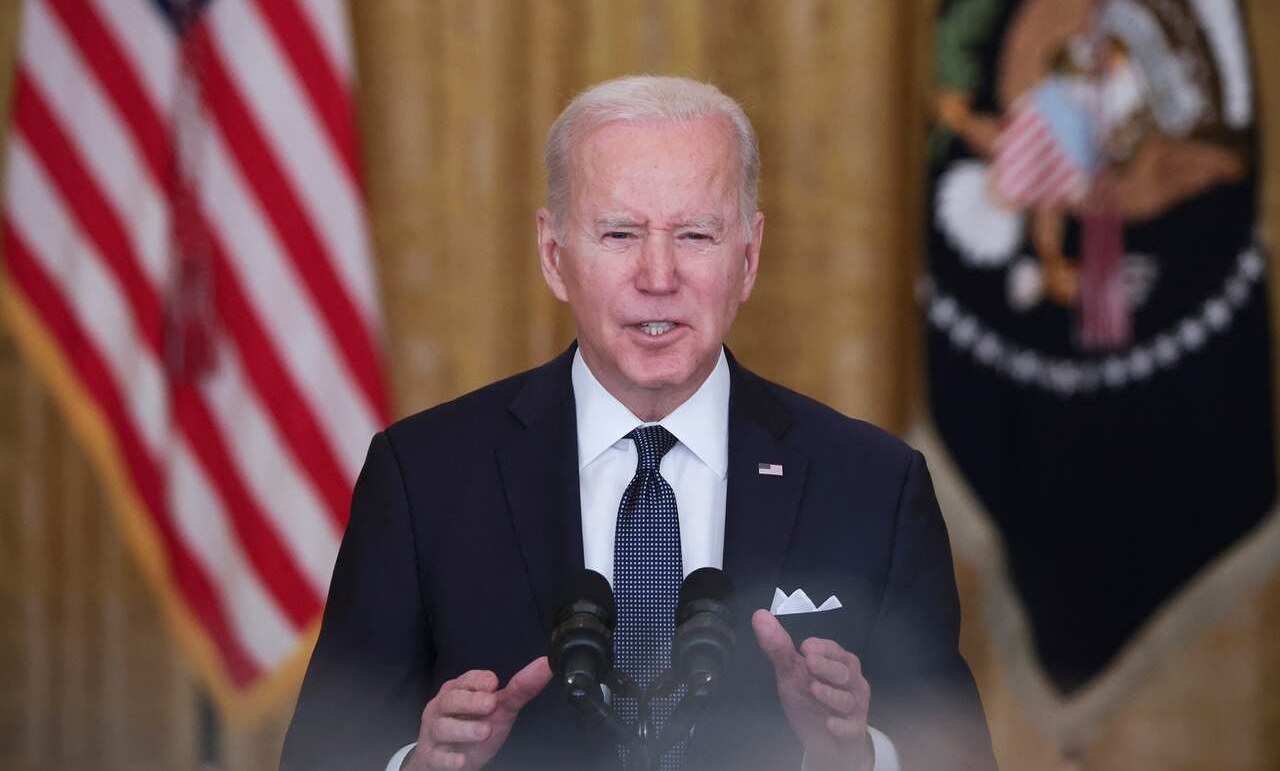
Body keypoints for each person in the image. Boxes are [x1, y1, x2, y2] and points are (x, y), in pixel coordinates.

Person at [281, 76, 997, 771]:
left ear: (747, 258)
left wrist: (859, 756)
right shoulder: (425, 477)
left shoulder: (873, 487)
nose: (659, 275)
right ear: (554, 255)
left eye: (694, 233)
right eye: (620, 233)